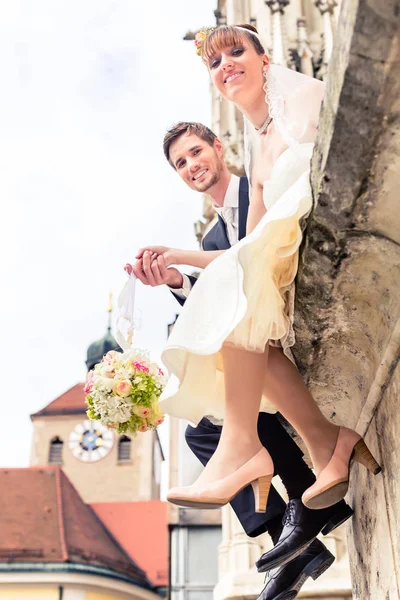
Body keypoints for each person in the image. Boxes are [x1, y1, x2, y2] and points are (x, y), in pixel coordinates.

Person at [123, 22, 381, 583]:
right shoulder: (258, 153)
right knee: (229, 329)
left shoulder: (301, 105)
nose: (226, 67)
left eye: (237, 53)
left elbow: (250, 247)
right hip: (267, 262)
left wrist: (184, 259)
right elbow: (243, 254)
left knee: (234, 319)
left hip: (302, 241)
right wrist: (177, 268)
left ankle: (258, 457)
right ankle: (299, 462)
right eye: (216, 64)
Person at [131, 121, 353, 598]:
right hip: (252, 341)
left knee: (229, 405)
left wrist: (183, 258)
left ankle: (306, 516)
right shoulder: (211, 236)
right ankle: (290, 536)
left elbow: (248, 260)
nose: (192, 166)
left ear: (218, 147)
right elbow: (213, 307)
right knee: (202, 431)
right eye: (181, 163)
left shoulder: (260, 185)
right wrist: (174, 280)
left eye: (195, 152)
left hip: (282, 329)